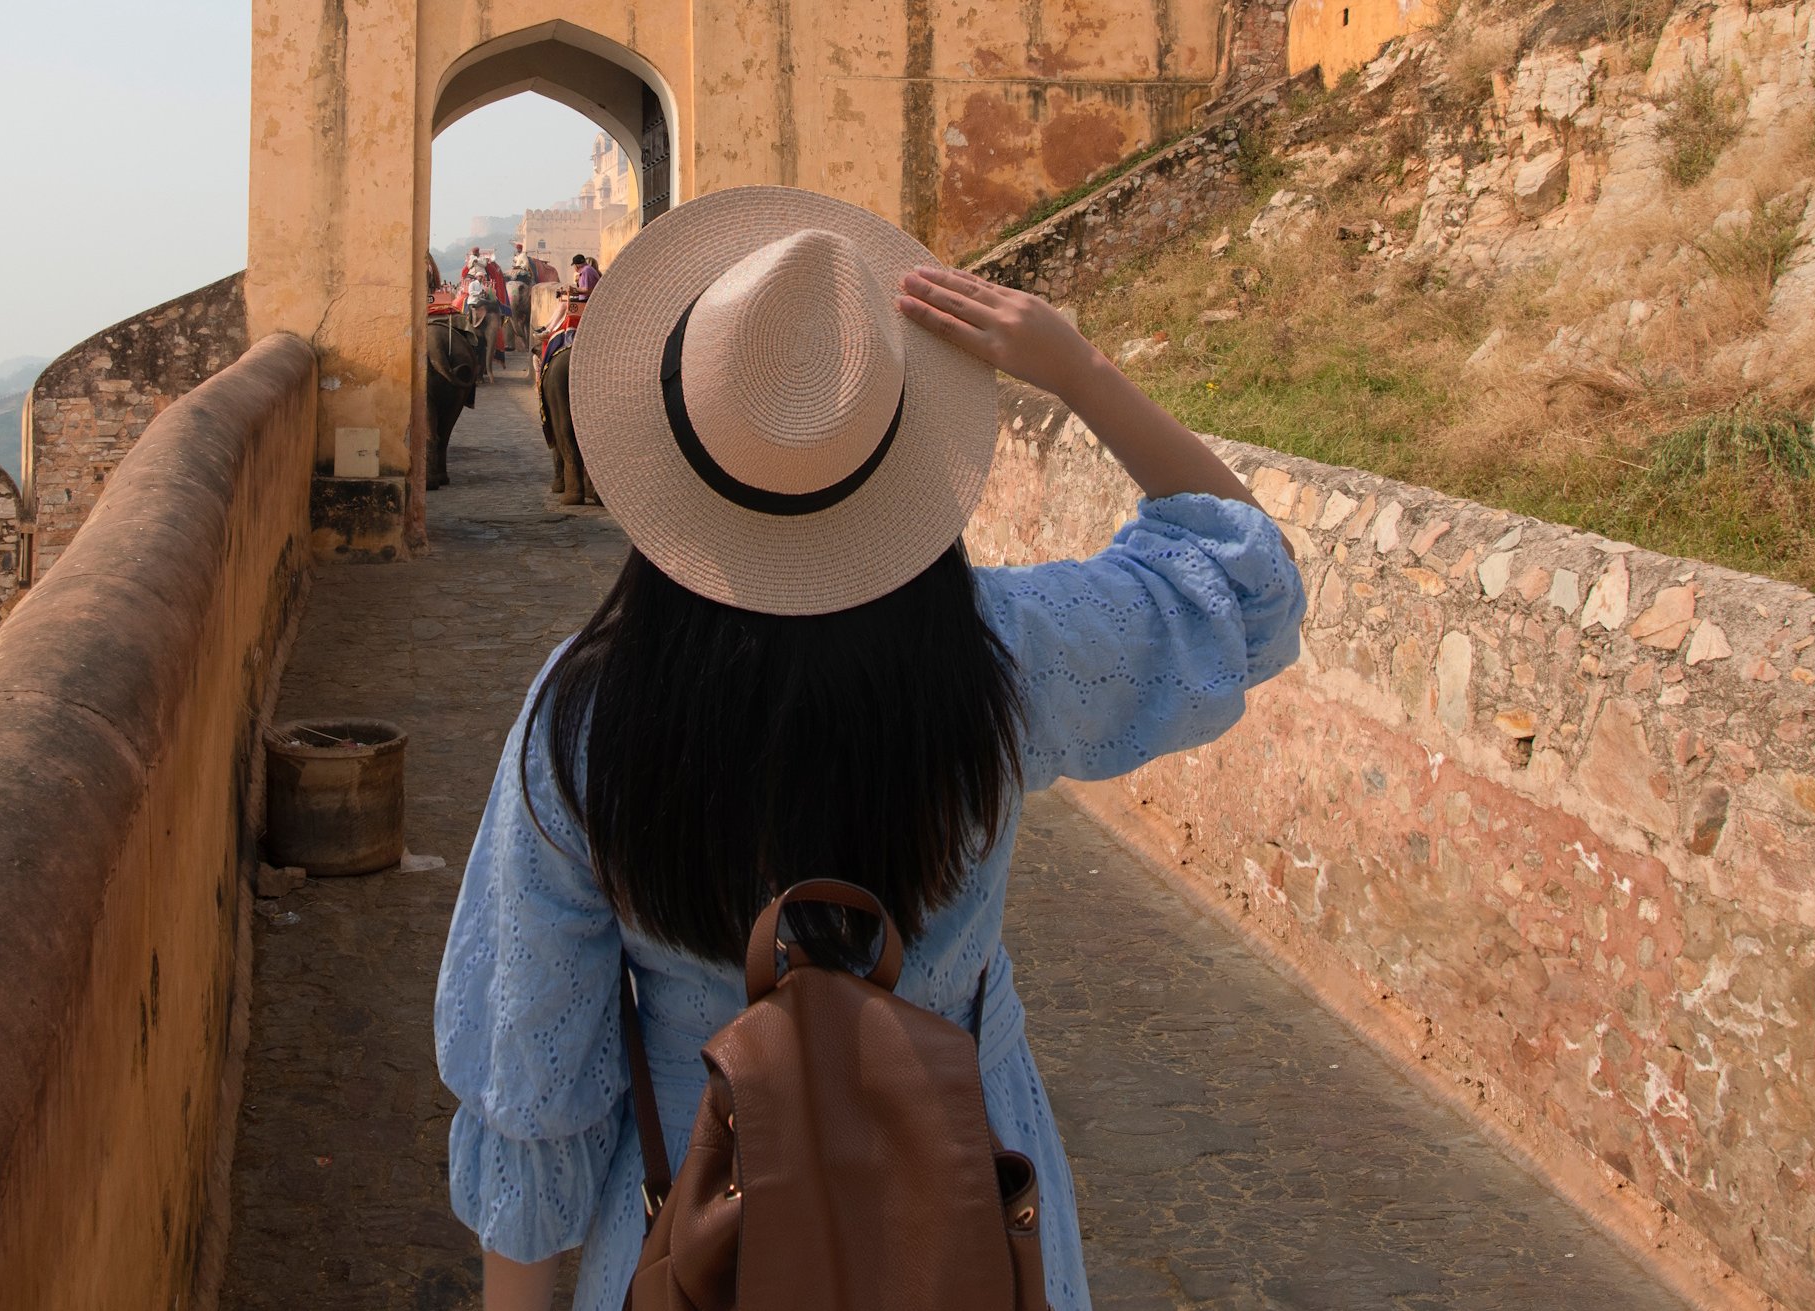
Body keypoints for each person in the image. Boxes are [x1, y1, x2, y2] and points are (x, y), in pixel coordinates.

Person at [435, 185, 1303, 1311]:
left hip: (688, 1230)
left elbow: (534, 1084)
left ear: (673, 464)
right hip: (957, 1218)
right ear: (901, 459)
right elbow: (1245, 590)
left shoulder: (590, 716)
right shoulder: (1005, 657)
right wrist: (1081, 373)